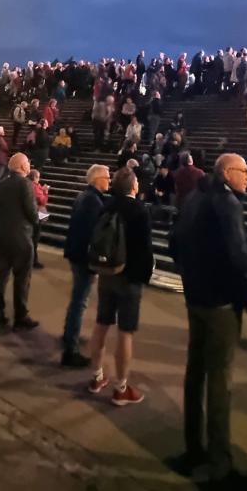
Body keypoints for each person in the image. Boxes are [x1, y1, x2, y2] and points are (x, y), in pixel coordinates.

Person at [168, 154, 247, 484]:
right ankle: (220, 464)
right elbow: (238, 255)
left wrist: (189, 275)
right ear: (228, 173)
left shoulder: (194, 196)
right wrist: (244, 294)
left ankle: (193, 449)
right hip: (220, 302)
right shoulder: (227, 203)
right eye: (244, 172)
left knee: (195, 372)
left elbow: (175, 241)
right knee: (220, 382)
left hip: (196, 297)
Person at [87, 166, 154, 406]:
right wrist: (146, 276)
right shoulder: (139, 209)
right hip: (130, 278)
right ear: (134, 186)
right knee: (125, 332)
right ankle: (120, 387)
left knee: (101, 324)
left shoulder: (106, 205)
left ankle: (96, 378)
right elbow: (145, 248)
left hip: (107, 274)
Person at [61, 164, 110, 368]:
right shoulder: (93, 201)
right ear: (96, 179)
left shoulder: (86, 197)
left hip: (75, 254)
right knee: (79, 302)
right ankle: (70, 350)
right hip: (83, 257)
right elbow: (93, 235)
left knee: (77, 299)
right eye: (107, 177)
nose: (109, 179)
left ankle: (69, 335)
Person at [0, 153, 39, 335]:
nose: (29, 165)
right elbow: (31, 212)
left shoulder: (2, 183)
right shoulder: (25, 183)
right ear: (21, 166)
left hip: (3, 236)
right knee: (22, 279)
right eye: (27, 162)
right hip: (21, 237)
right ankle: (20, 317)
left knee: (1, 277)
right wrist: (37, 220)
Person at [29, 168, 49, 269]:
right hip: (37, 215)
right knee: (34, 239)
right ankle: (33, 260)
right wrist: (45, 191)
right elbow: (42, 200)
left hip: (33, 214)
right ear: (35, 177)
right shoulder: (34, 186)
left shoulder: (31, 185)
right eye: (38, 177)